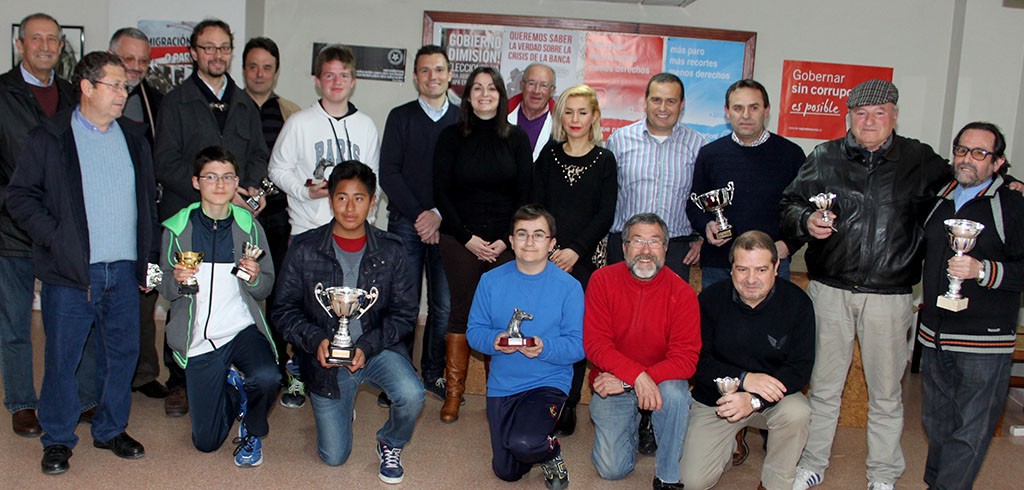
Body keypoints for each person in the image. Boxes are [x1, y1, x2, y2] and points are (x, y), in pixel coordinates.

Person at [780, 79, 950, 490]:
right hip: (830, 289)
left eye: (879, 113)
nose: (869, 121)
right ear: (848, 117)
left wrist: (1008, 183)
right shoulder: (825, 156)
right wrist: (806, 221)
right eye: (860, 113)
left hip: (890, 296)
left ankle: (883, 474)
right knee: (823, 388)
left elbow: (962, 184)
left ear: (894, 115)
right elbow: (789, 204)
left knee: (887, 394)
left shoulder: (920, 159)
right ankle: (811, 463)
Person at [7, 51, 159, 475]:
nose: (122, 94)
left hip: (125, 270)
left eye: (125, 86)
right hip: (73, 273)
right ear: (87, 87)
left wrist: (149, 263)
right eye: (114, 85)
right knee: (63, 357)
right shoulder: (51, 137)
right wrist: (57, 238)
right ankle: (57, 438)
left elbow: (147, 204)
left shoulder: (134, 136)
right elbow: (19, 197)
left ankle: (111, 429)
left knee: (123, 356)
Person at [273, 161, 424, 484]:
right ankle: (315, 384)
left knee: (412, 394)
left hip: (377, 348)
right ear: (330, 201)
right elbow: (283, 310)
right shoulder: (304, 248)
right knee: (334, 458)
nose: (350, 207)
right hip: (326, 358)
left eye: (359, 198)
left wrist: (367, 347)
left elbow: (405, 314)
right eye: (342, 198)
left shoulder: (392, 250)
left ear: (373, 202)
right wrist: (315, 341)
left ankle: (391, 442)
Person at [155, 18, 269, 417]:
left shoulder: (243, 103)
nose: (216, 55)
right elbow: (165, 162)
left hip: (234, 217)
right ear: (193, 52)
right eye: (208, 47)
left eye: (223, 48)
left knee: (236, 288)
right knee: (186, 290)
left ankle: (234, 365)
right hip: (189, 217)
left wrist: (249, 187)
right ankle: (179, 379)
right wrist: (211, 190)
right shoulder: (175, 102)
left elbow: (257, 155)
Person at [0, 12, 96, 438]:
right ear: (20, 45)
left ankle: (81, 397)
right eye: (35, 39)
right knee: (15, 321)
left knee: (73, 319)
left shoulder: (74, 95)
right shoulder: (2, 94)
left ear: (62, 47)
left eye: (52, 40)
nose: (44, 46)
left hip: (66, 233)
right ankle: (22, 402)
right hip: (13, 229)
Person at [156, 146, 280, 467]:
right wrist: (178, 279)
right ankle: (232, 390)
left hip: (240, 329)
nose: (220, 185)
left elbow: (266, 285)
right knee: (207, 443)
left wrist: (253, 278)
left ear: (236, 181)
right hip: (198, 341)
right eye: (211, 177)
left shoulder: (250, 227)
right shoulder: (176, 229)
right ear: (197, 182)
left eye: (227, 177)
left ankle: (252, 429)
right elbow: (166, 289)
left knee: (268, 377)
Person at [918, 122, 1024, 490]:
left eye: (980, 153)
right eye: (962, 150)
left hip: (984, 341)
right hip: (935, 336)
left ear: (997, 162)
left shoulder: (1011, 203)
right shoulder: (941, 196)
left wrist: (984, 270)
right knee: (936, 423)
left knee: (971, 429)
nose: (967, 159)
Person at [605, 71, 706, 455]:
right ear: (644, 102)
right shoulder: (620, 140)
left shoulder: (699, 145)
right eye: (656, 99)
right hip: (624, 246)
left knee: (663, 338)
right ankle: (623, 407)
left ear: (682, 105)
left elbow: (702, 199)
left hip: (675, 248)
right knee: (624, 330)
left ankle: (652, 418)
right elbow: (608, 194)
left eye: (671, 101)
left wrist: (699, 235)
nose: (663, 107)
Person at [433, 66, 533, 423]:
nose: (485, 94)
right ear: (468, 95)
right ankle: (455, 394)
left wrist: (506, 240)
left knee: (501, 318)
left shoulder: (518, 139)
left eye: (492, 88)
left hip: (506, 243)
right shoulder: (450, 137)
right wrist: (469, 239)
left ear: (502, 95)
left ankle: (498, 395)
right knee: (461, 311)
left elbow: (525, 195)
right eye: (477, 88)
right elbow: (441, 193)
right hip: (460, 240)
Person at [680, 231, 814, 490]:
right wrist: (744, 379)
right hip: (717, 399)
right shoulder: (709, 300)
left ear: (776, 268)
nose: (751, 279)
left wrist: (753, 399)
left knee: (798, 412)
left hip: (772, 400)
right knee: (692, 482)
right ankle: (731, 440)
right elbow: (698, 362)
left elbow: (800, 369)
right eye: (742, 269)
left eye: (761, 269)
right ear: (731, 269)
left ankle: (774, 483)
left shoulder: (798, 303)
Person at [467, 204, 584, 490]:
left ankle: (550, 452)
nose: (530, 242)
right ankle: (532, 444)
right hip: (503, 385)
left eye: (539, 235)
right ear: (510, 240)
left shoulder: (569, 287)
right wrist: (494, 341)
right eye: (522, 234)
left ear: (552, 243)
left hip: (548, 381)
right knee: (507, 471)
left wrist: (545, 347)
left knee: (524, 442)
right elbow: (474, 333)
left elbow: (578, 346)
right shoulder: (490, 281)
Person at [584, 212, 701, 490]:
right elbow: (595, 345)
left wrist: (634, 378)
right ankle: (639, 425)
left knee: (676, 391)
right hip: (611, 383)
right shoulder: (601, 281)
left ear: (666, 248)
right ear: (624, 248)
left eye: (654, 242)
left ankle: (668, 475)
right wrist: (635, 379)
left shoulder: (683, 293)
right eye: (637, 241)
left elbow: (686, 360)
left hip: (656, 383)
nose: (646, 251)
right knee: (612, 470)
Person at [531, 83, 617, 436]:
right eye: (569, 111)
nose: (576, 118)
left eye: (583, 112)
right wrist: (551, 250)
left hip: (585, 261)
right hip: (545, 259)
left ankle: (566, 403)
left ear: (594, 116)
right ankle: (540, 398)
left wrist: (575, 250)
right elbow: (536, 206)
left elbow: (605, 214)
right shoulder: (548, 156)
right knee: (543, 327)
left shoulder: (604, 159)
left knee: (574, 333)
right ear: (560, 117)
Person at [379, 44, 459, 402]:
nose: (432, 77)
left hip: (449, 226)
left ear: (450, 75)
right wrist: (420, 216)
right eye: (425, 71)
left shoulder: (463, 120)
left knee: (442, 306)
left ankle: (432, 373)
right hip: (404, 224)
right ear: (415, 77)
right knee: (403, 305)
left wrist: (439, 215)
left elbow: (466, 177)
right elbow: (389, 173)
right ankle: (397, 377)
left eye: (439, 70)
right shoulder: (400, 117)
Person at [686, 79, 805, 288]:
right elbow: (694, 204)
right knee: (715, 321)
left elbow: (803, 209)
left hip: (770, 265)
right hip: (719, 264)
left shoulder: (791, 154)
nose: (746, 115)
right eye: (738, 108)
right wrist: (706, 226)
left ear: (766, 110)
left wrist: (789, 245)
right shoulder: (710, 154)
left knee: (770, 322)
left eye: (754, 107)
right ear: (727, 111)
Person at [108, 26, 170, 401]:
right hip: (109, 219)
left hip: (149, 218)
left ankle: (144, 373)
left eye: (143, 60)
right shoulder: (88, 102)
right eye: (128, 59)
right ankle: (105, 378)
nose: (135, 67)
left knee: (148, 294)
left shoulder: (158, 102)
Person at [241, 35, 303, 407]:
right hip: (236, 213)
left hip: (278, 217)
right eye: (253, 66)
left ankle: (279, 364)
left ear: (276, 72)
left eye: (267, 67)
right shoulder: (231, 107)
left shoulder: (291, 111)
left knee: (278, 293)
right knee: (239, 290)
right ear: (244, 69)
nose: (260, 73)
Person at [269, 44, 381, 239]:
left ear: (353, 81)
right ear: (318, 80)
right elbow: (277, 170)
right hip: (308, 231)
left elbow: (375, 178)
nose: (337, 82)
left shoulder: (366, 126)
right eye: (329, 75)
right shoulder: (298, 123)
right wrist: (305, 192)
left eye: (344, 76)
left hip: (355, 234)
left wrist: (368, 214)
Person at [508, 63, 556, 161]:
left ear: (552, 91)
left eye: (544, 85)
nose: (536, 91)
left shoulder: (562, 124)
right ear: (521, 85)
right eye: (531, 83)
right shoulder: (502, 114)